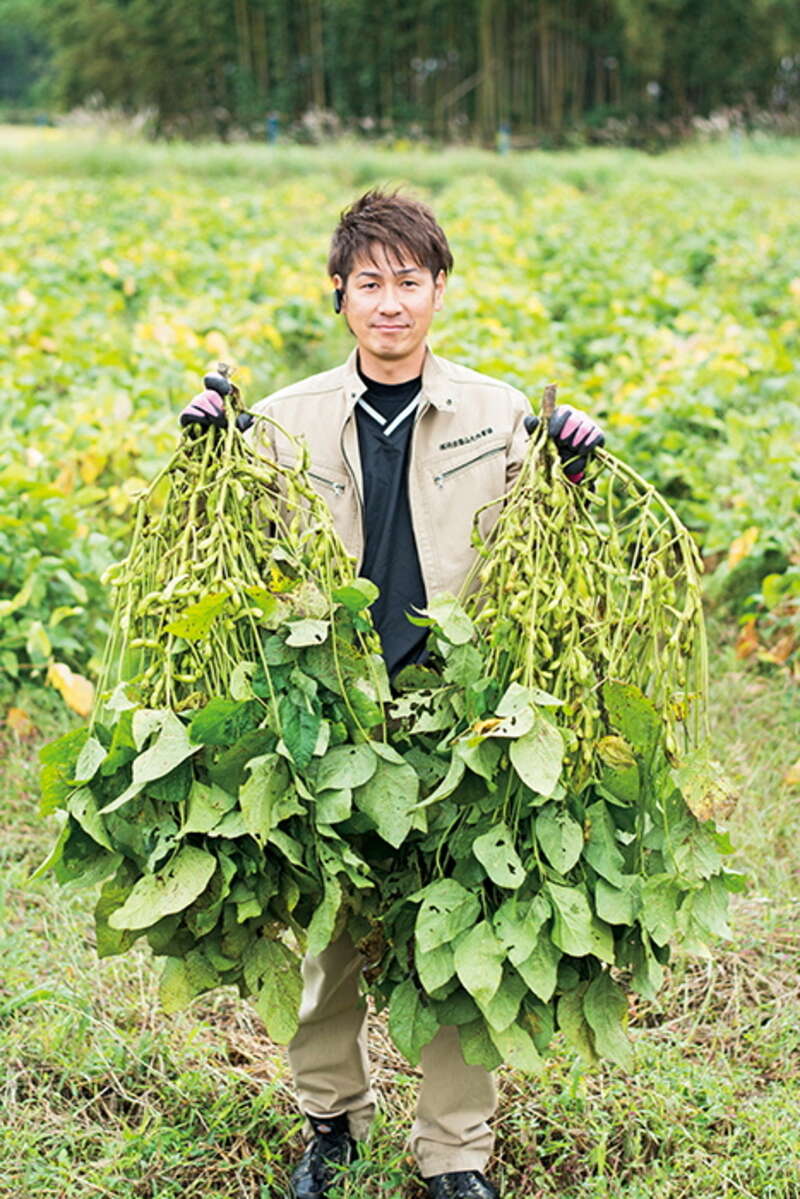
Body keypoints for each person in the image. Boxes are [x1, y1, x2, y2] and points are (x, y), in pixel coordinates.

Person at [180, 189, 604, 1199]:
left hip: (463, 709)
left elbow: (549, 539)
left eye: (407, 282)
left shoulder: (498, 411)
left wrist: (572, 464)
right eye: (368, 283)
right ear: (338, 294)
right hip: (332, 710)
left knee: (461, 936)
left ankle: (453, 1152)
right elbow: (238, 540)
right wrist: (205, 450)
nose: (388, 303)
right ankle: (330, 1122)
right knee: (328, 937)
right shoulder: (284, 418)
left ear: (437, 290)